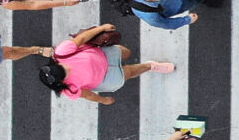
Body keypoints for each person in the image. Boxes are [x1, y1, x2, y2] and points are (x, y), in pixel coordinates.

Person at [36, 25, 174, 105]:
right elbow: (88, 95)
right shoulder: (69, 90)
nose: (66, 69)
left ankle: (147, 66)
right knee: (130, 72)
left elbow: (82, 38)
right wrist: (103, 100)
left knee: (126, 52)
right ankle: (150, 66)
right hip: (105, 78)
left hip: (104, 54)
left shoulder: (62, 52)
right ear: (60, 82)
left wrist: (102, 28)